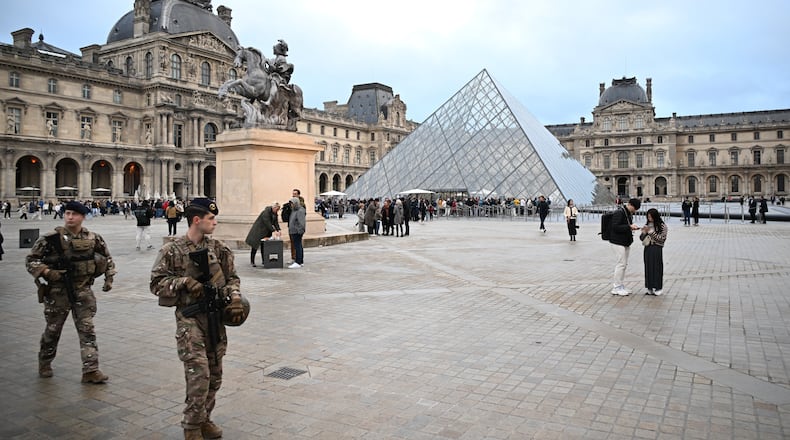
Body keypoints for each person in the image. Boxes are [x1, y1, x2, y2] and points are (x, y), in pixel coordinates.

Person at [149, 198, 245, 440]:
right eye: (211, 219)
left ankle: (204, 419)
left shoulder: (219, 249)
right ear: (196, 220)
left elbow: (233, 277)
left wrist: (234, 298)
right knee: (199, 374)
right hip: (189, 319)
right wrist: (183, 282)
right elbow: (156, 284)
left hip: (215, 319)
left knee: (215, 374)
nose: (215, 222)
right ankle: (191, 426)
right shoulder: (172, 250)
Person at [25, 201, 116, 383]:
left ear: (82, 216)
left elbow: (107, 258)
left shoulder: (93, 238)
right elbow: (31, 260)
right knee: (53, 330)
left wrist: (109, 278)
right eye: (67, 213)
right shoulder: (50, 238)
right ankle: (45, 362)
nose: (70, 217)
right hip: (57, 292)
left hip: (82, 291)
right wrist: (47, 272)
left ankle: (91, 369)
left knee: (87, 330)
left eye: (74, 214)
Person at [609, 198, 641, 296]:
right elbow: (615, 227)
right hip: (617, 241)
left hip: (625, 241)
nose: (635, 211)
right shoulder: (620, 213)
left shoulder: (627, 213)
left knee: (624, 264)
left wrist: (631, 227)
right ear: (630, 205)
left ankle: (620, 285)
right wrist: (629, 227)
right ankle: (616, 287)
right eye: (634, 208)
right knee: (621, 264)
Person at [640, 208, 668, 296]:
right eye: (648, 217)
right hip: (648, 248)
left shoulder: (662, 226)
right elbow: (641, 238)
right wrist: (644, 233)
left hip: (656, 248)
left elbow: (662, 239)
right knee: (648, 267)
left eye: (651, 217)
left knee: (657, 267)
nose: (649, 218)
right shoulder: (647, 224)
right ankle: (649, 287)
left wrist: (651, 232)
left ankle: (658, 287)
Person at [287, 196, 306, 268]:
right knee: (298, 246)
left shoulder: (300, 211)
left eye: (292, 203)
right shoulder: (294, 210)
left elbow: (301, 222)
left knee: (297, 246)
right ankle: (300, 261)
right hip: (293, 231)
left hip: (297, 231)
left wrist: (300, 230)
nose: (291, 205)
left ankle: (298, 261)